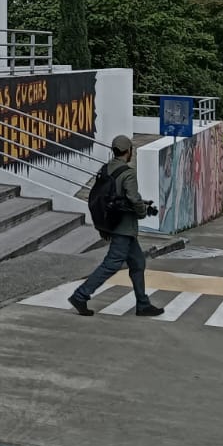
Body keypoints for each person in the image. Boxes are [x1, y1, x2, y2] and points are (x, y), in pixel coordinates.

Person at [70, 135, 165, 318]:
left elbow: (107, 198)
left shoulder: (106, 169)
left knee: (138, 262)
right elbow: (133, 198)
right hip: (124, 227)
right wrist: (142, 212)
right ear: (128, 151)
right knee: (111, 264)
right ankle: (80, 295)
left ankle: (143, 304)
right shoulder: (128, 173)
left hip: (112, 223)